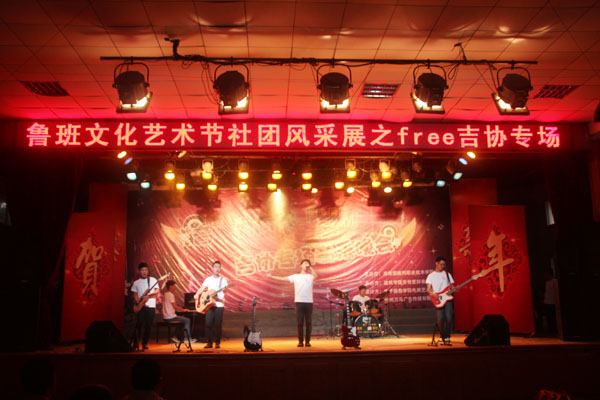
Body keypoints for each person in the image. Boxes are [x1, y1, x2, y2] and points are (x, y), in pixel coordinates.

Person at [271, 259, 318, 347]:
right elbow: (283, 278)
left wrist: (310, 268)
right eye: (304, 263)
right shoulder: (296, 276)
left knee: (308, 322)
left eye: (308, 263)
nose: (306, 264)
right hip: (299, 301)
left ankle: (307, 341)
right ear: (300, 265)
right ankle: (300, 341)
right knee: (300, 322)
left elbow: (316, 276)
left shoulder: (310, 276)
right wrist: (272, 276)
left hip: (309, 302)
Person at [194, 260, 228, 349]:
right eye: (215, 267)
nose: (217, 269)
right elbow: (202, 288)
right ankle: (209, 342)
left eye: (219, 267)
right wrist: (197, 294)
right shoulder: (208, 279)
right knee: (208, 324)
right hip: (209, 305)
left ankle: (217, 342)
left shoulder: (223, 280)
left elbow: (224, 291)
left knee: (218, 325)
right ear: (212, 268)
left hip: (219, 305)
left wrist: (218, 297)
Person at [426, 257, 455, 343]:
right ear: (436, 263)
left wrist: (454, 289)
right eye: (441, 264)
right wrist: (433, 294)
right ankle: (442, 335)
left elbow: (452, 286)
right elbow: (428, 289)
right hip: (438, 298)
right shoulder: (431, 276)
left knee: (449, 317)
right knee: (440, 319)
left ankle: (447, 335)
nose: (443, 266)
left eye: (444, 265)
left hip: (448, 298)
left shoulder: (447, 274)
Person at [131, 262, 159, 350]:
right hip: (141, 306)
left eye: (146, 270)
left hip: (150, 307)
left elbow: (157, 292)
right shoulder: (136, 282)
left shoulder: (152, 280)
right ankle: (135, 343)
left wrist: (149, 296)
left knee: (148, 325)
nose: (144, 272)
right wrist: (137, 300)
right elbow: (135, 294)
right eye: (142, 270)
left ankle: (144, 344)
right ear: (139, 271)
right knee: (139, 325)